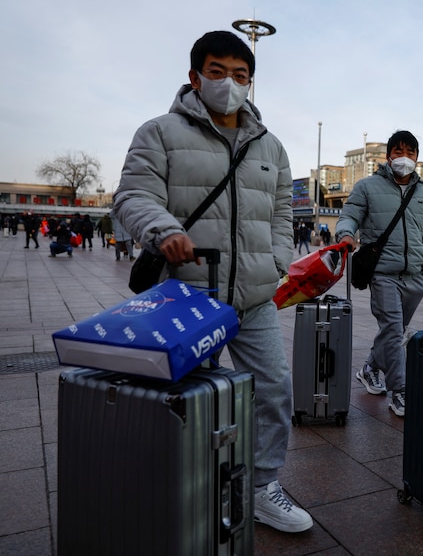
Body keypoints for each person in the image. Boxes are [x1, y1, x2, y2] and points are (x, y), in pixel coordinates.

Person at [112, 30, 312, 534]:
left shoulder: (272, 146)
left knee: (273, 391)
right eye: (218, 72)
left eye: (240, 75)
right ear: (195, 76)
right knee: (188, 399)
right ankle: (187, 483)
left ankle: (263, 485)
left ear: (251, 82)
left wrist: (277, 260)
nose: (229, 84)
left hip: (255, 296)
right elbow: (133, 196)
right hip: (188, 293)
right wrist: (164, 230)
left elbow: (284, 211)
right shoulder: (158, 132)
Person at [336, 130, 423, 417]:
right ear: (388, 156)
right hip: (383, 273)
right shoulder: (367, 186)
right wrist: (345, 233)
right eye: (398, 152)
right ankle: (399, 391)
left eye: (410, 153)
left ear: (417, 157)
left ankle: (370, 368)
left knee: (395, 331)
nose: (404, 158)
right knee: (393, 329)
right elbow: (350, 214)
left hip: (415, 275)